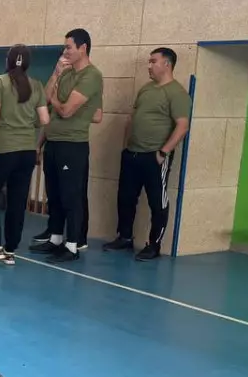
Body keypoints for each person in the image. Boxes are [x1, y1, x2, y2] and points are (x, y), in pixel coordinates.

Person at [104, 47, 191, 261]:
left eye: (153, 61)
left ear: (167, 64)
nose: (149, 66)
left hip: (155, 156)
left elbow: (182, 126)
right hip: (132, 154)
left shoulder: (177, 93)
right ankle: (124, 237)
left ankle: (154, 245)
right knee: (125, 198)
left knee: (157, 202)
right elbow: (132, 118)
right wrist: (126, 145)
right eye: (149, 61)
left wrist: (163, 152)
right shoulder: (146, 89)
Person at [31, 28, 103, 263]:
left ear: (83, 48)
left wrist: (52, 99)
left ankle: (72, 245)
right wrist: (55, 73)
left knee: (71, 196)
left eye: (69, 47)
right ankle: (55, 238)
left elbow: (65, 110)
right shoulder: (67, 73)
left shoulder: (91, 76)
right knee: (54, 194)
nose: (65, 51)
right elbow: (44, 101)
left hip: (73, 145)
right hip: (53, 142)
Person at [0, 45, 50, 266]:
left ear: (7, 61)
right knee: (17, 201)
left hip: (3, 150)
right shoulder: (36, 85)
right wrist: (29, 123)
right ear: (27, 63)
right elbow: (45, 120)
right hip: (27, 151)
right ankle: (10, 250)